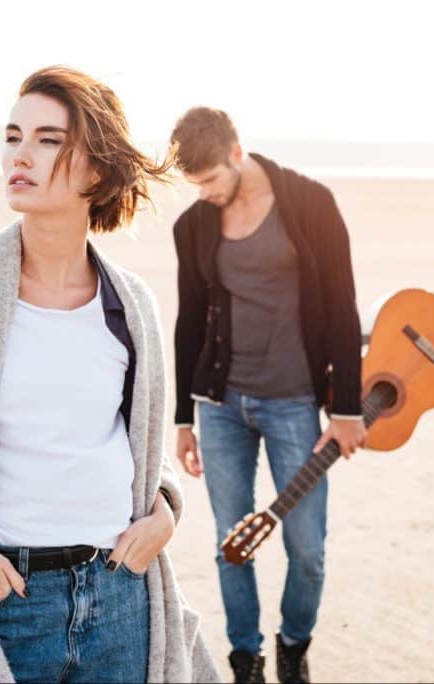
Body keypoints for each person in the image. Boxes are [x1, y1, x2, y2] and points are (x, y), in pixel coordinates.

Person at [0, 67, 220, 683]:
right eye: (13, 136)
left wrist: (164, 511)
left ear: (97, 169)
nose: (21, 155)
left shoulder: (131, 301)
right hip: (5, 596)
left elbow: (143, 438)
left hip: (120, 594)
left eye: (48, 139)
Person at [168, 107, 366, 684]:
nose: (202, 194)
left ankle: (294, 643)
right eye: (193, 184)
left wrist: (347, 408)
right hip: (221, 406)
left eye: (208, 180)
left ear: (236, 152)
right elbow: (188, 326)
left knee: (307, 547)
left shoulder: (311, 204)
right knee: (232, 542)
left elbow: (342, 307)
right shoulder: (193, 226)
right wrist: (183, 418)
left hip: (294, 402)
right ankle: (245, 658)